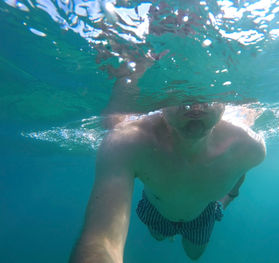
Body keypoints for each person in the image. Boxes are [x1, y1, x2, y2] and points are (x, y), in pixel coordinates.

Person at [69, 102, 266, 263]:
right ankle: (168, 233)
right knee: (159, 235)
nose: (195, 107)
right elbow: (100, 241)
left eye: (208, 96)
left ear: (224, 104)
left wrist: (226, 199)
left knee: (194, 255)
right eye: (180, 93)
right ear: (161, 102)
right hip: (156, 209)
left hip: (202, 216)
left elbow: (239, 171)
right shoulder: (130, 140)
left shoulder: (249, 147)